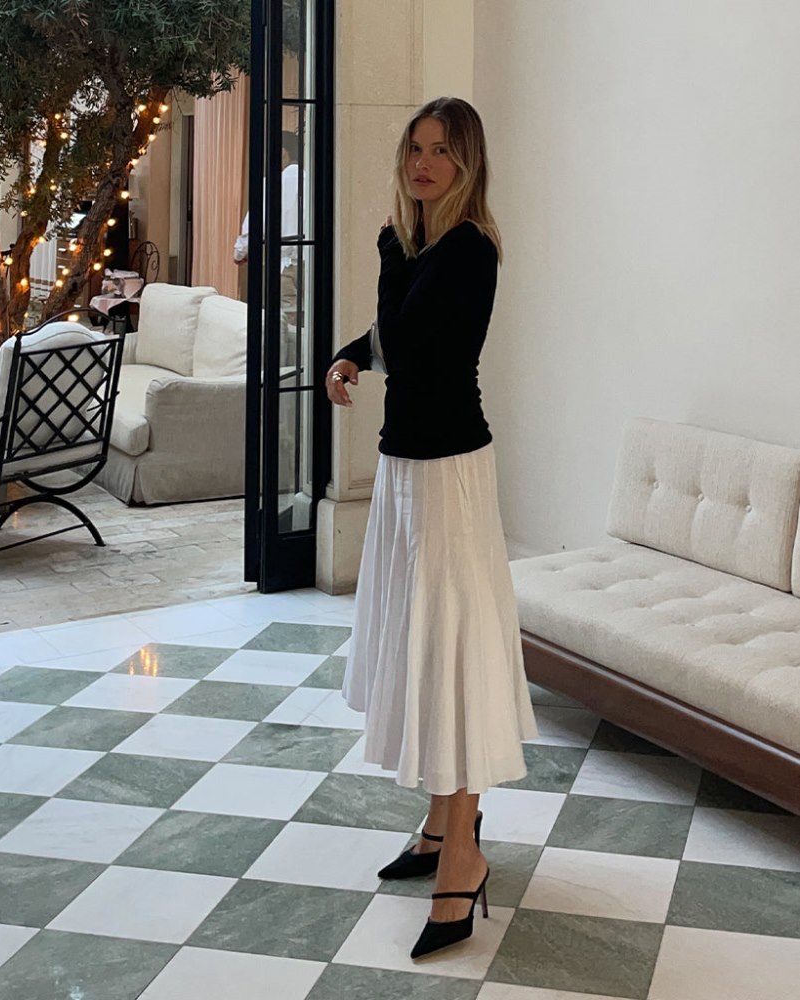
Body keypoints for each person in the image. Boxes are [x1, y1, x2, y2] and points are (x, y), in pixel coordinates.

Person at [325, 97, 538, 960]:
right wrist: (350, 353)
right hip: (408, 466)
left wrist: (386, 255)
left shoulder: (467, 248)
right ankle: (443, 825)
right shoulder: (423, 249)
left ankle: (462, 856)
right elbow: (390, 335)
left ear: (467, 163)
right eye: (414, 148)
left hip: (447, 473)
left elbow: (412, 346)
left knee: (451, 653)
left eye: (441, 151)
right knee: (420, 645)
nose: (422, 163)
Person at [234, 130, 300, 365]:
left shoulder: (273, 184)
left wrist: (240, 252)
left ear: (282, 154)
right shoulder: (313, 181)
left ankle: (283, 374)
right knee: (305, 325)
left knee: (283, 327)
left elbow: (253, 226)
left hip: (282, 266)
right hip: (310, 264)